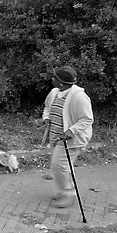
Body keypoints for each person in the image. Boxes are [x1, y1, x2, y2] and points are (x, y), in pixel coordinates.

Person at [40, 66, 93, 208]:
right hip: (57, 137)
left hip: (73, 139)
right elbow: (47, 107)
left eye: (55, 78)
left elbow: (87, 119)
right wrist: (46, 118)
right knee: (62, 166)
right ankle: (65, 191)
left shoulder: (79, 97)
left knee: (59, 165)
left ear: (62, 83)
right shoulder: (54, 92)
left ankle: (68, 194)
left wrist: (70, 131)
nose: (52, 79)